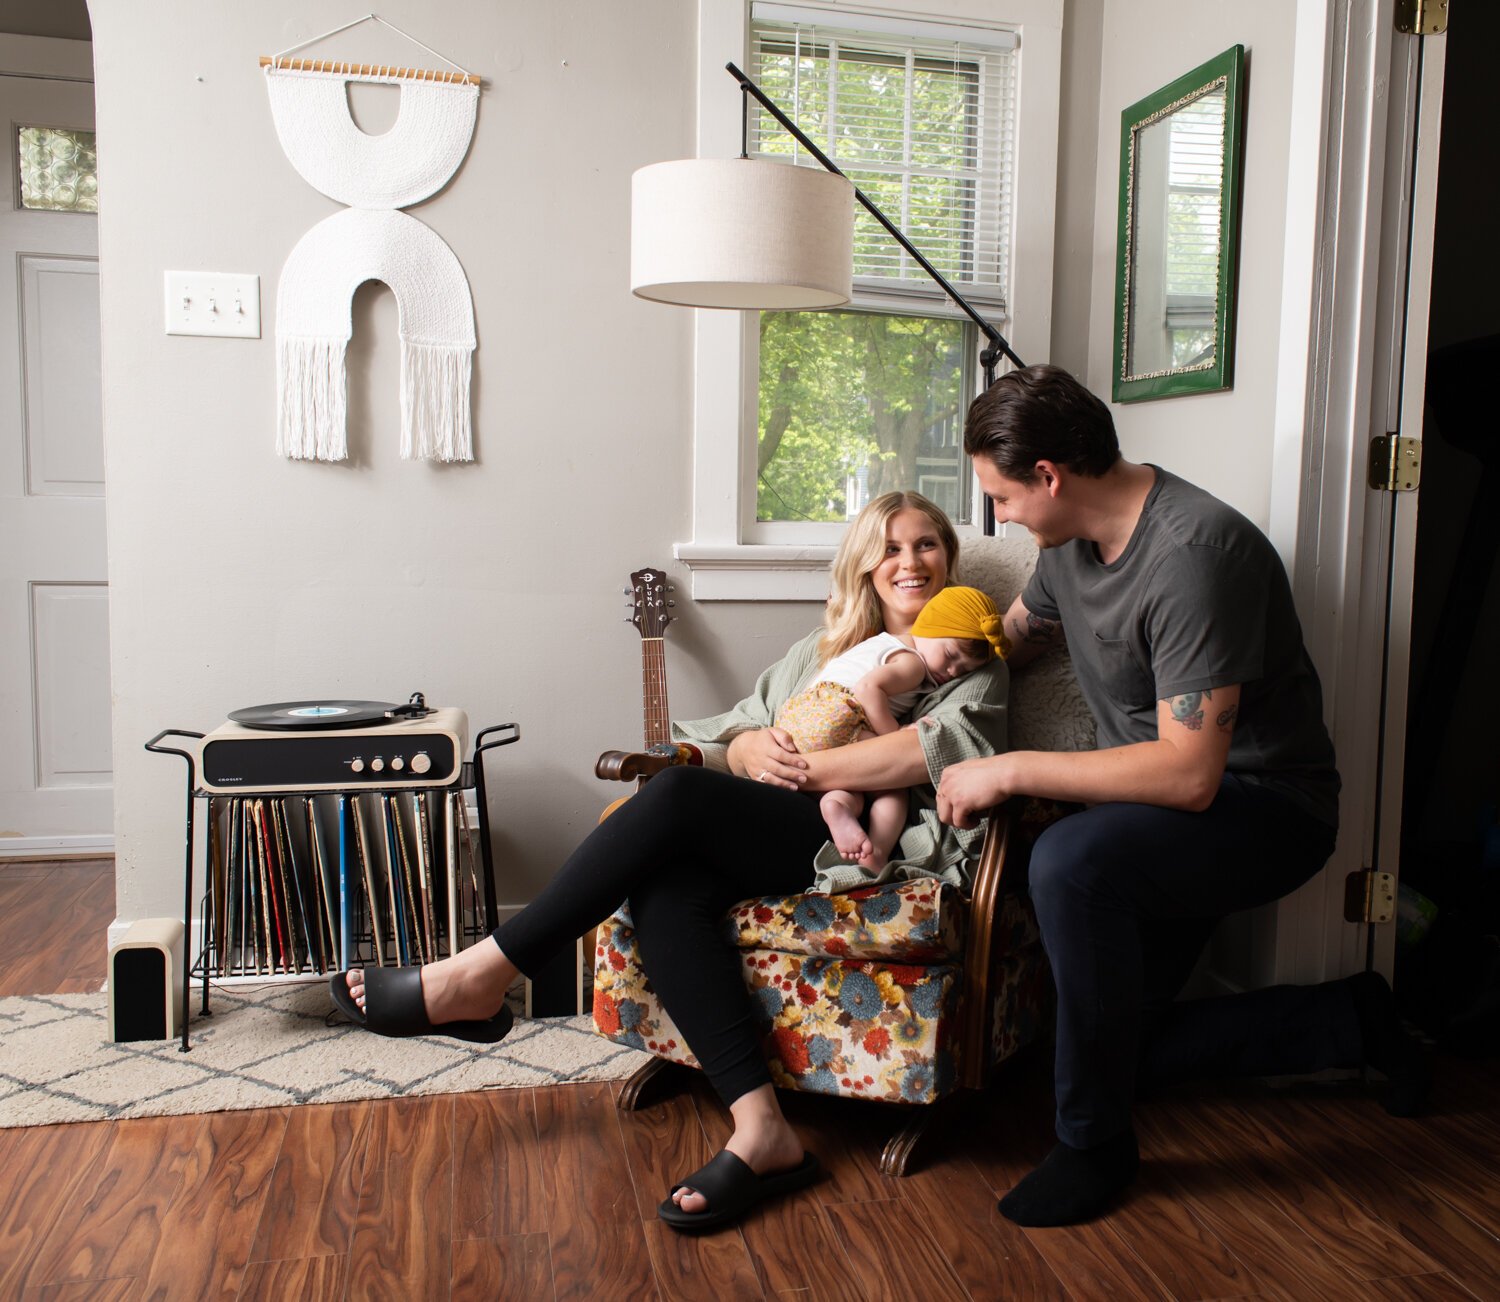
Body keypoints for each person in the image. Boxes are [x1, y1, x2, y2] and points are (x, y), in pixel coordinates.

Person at [330, 490, 1009, 1231]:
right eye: (890, 547)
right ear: (864, 567)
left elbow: (933, 751)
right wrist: (748, 747)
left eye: (926, 545)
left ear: (949, 557)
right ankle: (764, 1130)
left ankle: (482, 974)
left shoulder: (972, 657)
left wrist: (808, 772)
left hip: (861, 835)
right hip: (774, 818)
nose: (908, 561)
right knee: (667, 884)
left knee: (680, 795)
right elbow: (738, 730)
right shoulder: (819, 653)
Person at [937, 364, 1429, 1228]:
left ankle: (1094, 1146)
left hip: (1263, 807)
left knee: (1069, 861)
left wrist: (1006, 769)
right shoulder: (1066, 550)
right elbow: (1010, 641)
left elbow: (1188, 774)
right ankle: (1353, 1020)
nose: (1000, 517)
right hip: (1157, 815)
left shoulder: (1197, 556)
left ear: (1050, 476)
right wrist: (912, 672)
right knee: (1105, 1042)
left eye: (1002, 497)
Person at [775, 584, 1008, 873]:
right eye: (949, 654)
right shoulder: (912, 663)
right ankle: (877, 853)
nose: (951, 671)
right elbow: (868, 689)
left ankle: (837, 805)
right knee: (893, 791)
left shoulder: (878, 643)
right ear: (930, 626)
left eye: (962, 670)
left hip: (797, 717)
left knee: (853, 785)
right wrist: (893, 734)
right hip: (835, 714)